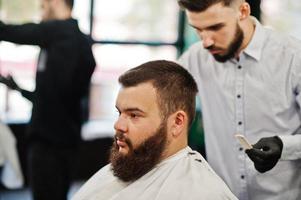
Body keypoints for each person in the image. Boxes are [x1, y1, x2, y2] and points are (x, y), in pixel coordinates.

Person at [177, 0, 301, 199]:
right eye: (198, 30)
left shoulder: (294, 57)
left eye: (215, 27)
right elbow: (161, 92)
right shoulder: (195, 58)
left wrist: (284, 146)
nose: (206, 41)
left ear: (243, 11)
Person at [71, 60, 238, 200]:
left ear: (177, 122)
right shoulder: (123, 168)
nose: (118, 125)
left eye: (134, 115)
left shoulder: (204, 193)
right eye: (119, 112)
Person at [0, 0, 96, 199]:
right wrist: (17, 88)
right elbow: (53, 97)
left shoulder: (61, 32)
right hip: (65, 140)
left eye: (43, 6)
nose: (41, 14)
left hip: (49, 142)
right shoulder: (76, 41)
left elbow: (10, 32)